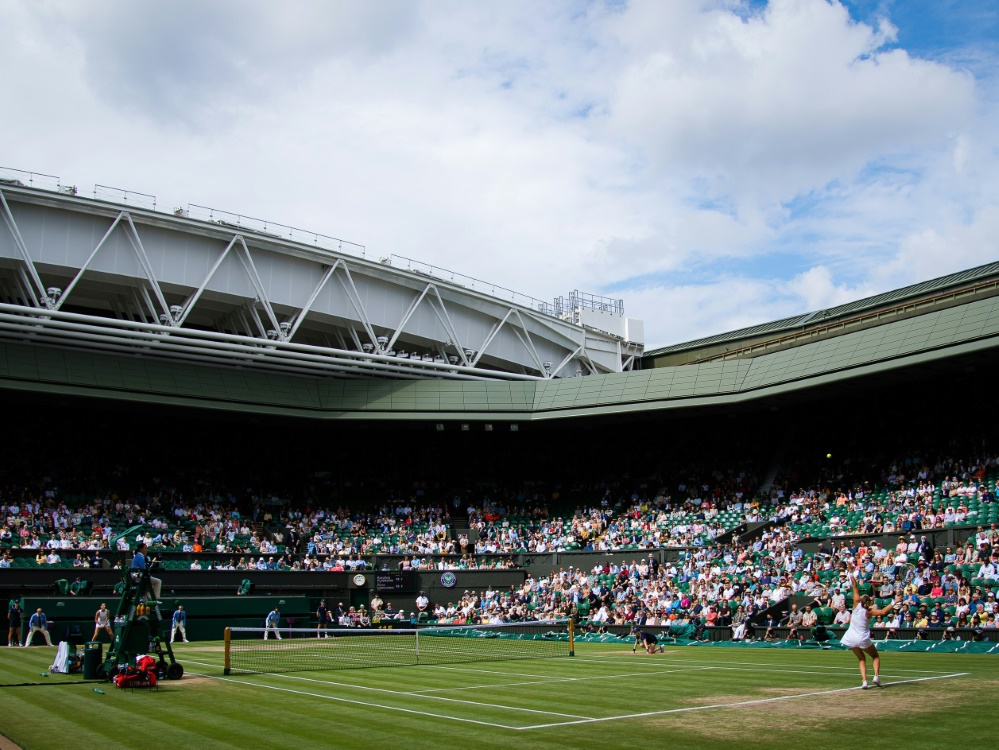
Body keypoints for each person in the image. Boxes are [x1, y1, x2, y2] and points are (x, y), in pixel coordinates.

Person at [843, 562, 895, 688]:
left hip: (851, 637)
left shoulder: (856, 604)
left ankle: (864, 681)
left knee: (861, 659)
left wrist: (851, 572)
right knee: (875, 656)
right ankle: (876, 676)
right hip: (862, 637)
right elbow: (883, 612)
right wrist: (894, 602)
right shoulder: (869, 612)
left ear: (861, 600)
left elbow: (854, 585)